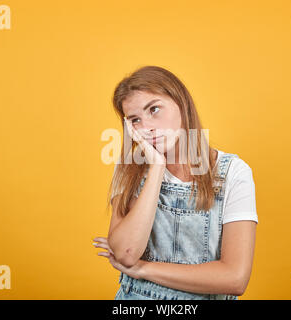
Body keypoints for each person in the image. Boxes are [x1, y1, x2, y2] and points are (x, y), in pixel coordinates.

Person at [93, 65, 258, 300]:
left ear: (181, 103)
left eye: (154, 109)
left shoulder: (233, 172)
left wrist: (143, 269)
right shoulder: (129, 171)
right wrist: (157, 168)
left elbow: (234, 278)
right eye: (135, 119)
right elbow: (127, 253)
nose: (147, 127)